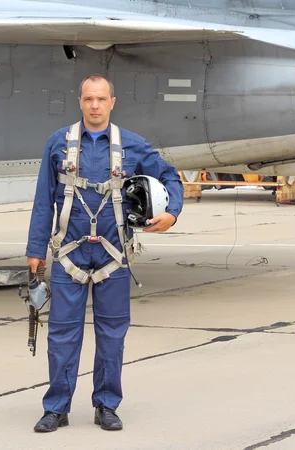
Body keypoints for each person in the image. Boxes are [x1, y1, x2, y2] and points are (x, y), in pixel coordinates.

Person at [25, 74, 184, 433]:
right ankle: (57, 408)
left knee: (112, 334)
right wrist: (35, 249)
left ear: (112, 102)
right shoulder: (58, 144)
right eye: (88, 99)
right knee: (62, 334)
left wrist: (172, 213)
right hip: (69, 255)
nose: (94, 106)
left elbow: (171, 176)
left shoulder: (133, 145)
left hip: (115, 256)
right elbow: (42, 201)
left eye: (101, 99)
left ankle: (106, 405)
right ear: (79, 102)